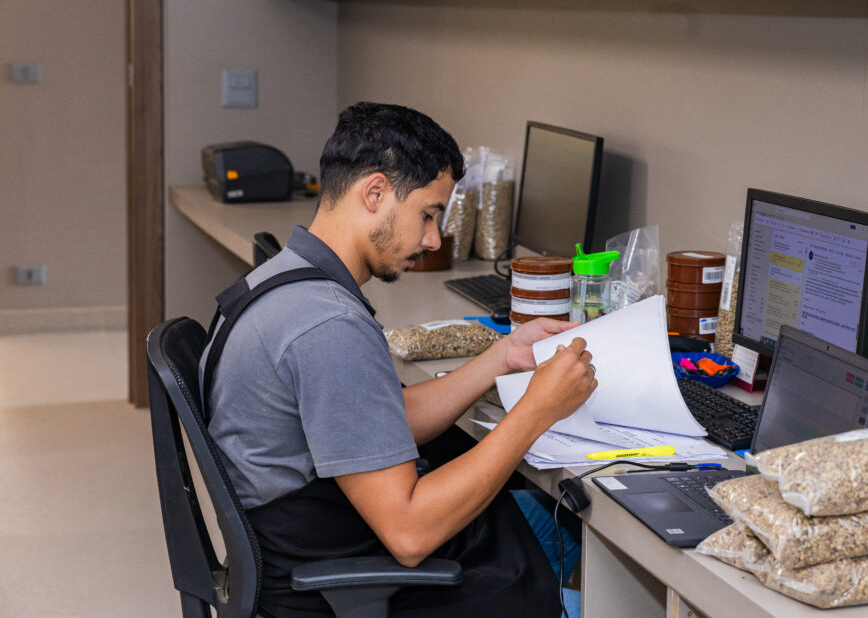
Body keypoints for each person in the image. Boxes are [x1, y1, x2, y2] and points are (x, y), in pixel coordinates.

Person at [200, 102, 598, 617]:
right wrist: (536, 411)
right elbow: (410, 535)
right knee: (594, 593)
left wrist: (500, 358)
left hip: (316, 550)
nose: (432, 239)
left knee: (546, 517)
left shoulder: (282, 279)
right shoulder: (328, 325)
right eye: (427, 214)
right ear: (375, 193)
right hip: (335, 589)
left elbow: (375, 421)